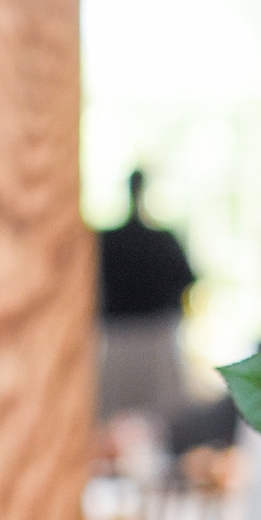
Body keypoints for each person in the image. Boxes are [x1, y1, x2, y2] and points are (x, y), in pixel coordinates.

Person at [97, 168, 194, 424]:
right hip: (120, 335)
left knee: (163, 417)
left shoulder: (156, 240)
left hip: (153, 333)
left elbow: (186, 281)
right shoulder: (113, 239)